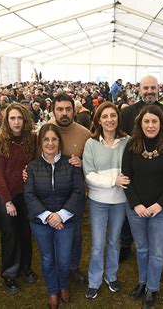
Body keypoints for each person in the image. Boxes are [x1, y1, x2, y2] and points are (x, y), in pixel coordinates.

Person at [121, 105, 163, 308]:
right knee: (142, 248)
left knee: (156, 250)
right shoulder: (131, 146)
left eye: (154, 121)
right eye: (146, 121)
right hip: (136, 210)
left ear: (161, 123)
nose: (150, 125)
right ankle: (142, 282)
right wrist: (136, 204)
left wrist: (160, 204)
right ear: (140, 123)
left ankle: (152, 289)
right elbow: (125, 179)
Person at [25, 124, 85, 309]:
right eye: (46, 139)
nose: (50, 143)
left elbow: (78, 191)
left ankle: (64, 285)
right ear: (40, 142)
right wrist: (48, 216)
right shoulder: (32, 167)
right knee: (47, 258)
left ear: (59, 142)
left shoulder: (71, 163)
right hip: (41, 221)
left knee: (64, 258)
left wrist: (60, 215)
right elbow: (29, 194)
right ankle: (53, 290)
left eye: (54, 139)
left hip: (65, 219)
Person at [119, 75, 163, 262]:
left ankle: (157, 246)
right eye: (146, 88)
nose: (149, 91)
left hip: (159, 172)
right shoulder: (127, 113)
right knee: (131, 217)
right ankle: (126, 245)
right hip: (134, 170)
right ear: (139, 89)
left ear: (158, 89)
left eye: (153, 87)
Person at [83, 102, 130, 299]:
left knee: (113, 241)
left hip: (120, 201)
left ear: (118, 118)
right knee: (97, 243)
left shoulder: (127, 141)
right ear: (99, 120)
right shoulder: (91, 143)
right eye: (105, 116)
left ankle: (111, 276)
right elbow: (89, 175)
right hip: (98, 201)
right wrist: (113, 181)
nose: (109, 119)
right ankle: (94, 280)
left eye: (113, 115)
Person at [0, 103, 37, 294]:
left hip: (26, 195)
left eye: (19, 118)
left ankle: (26, 268)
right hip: (6, 196)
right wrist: (7, 201)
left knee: (26, 233)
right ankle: (9, 274)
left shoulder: (32, 139)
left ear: (25, 119)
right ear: (6, 121)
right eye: (12, 118)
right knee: (10, 235)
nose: (16, 122)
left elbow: (35, 161)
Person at [50, 93, 91, 284]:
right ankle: (55, 269)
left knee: (75, 234)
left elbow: (92, 163)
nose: (64, 113)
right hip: (48, 194)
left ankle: (73, 268)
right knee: (51, 233)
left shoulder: (85, 133)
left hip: (75, 195)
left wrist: (81, 162)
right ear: (53, 111)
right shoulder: (45, 131)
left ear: (74, 110)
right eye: (60, 109)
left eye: (68, 109)